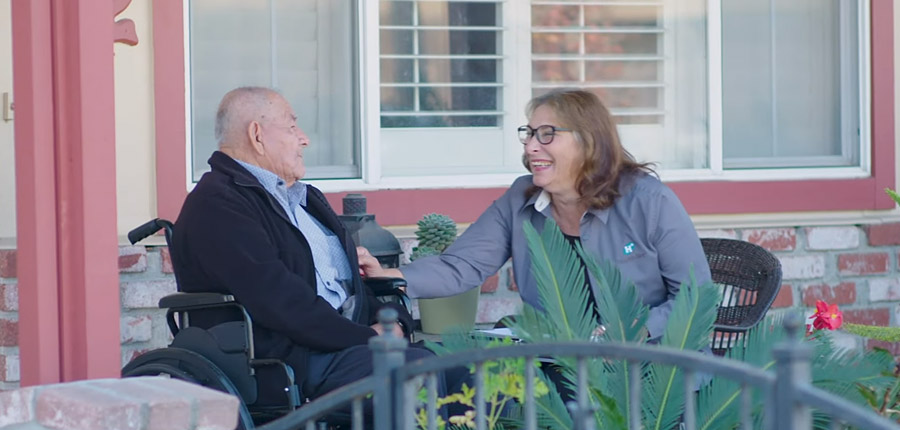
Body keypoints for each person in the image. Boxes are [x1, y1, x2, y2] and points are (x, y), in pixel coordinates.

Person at [360, 88, 711, 341]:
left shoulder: (649, 201)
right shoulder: (520, 199)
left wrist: (637, 329)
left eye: (547, 134)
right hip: (560, 365)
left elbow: (695, 298)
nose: (530, 147)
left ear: (590, 141)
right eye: (528, 134)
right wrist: (389, 274)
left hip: (655, 370)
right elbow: (462, 266)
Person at [172, 86, 452, 401]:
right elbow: (279, 299)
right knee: (417, 369)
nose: (304, 138)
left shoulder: (304, 200)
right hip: (289, 359)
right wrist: (367, 338)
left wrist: (392, 319)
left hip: (343, 345)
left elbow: (346, 286)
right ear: (257, 135)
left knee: (465, 370)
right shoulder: (219, 205)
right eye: (292, 127)